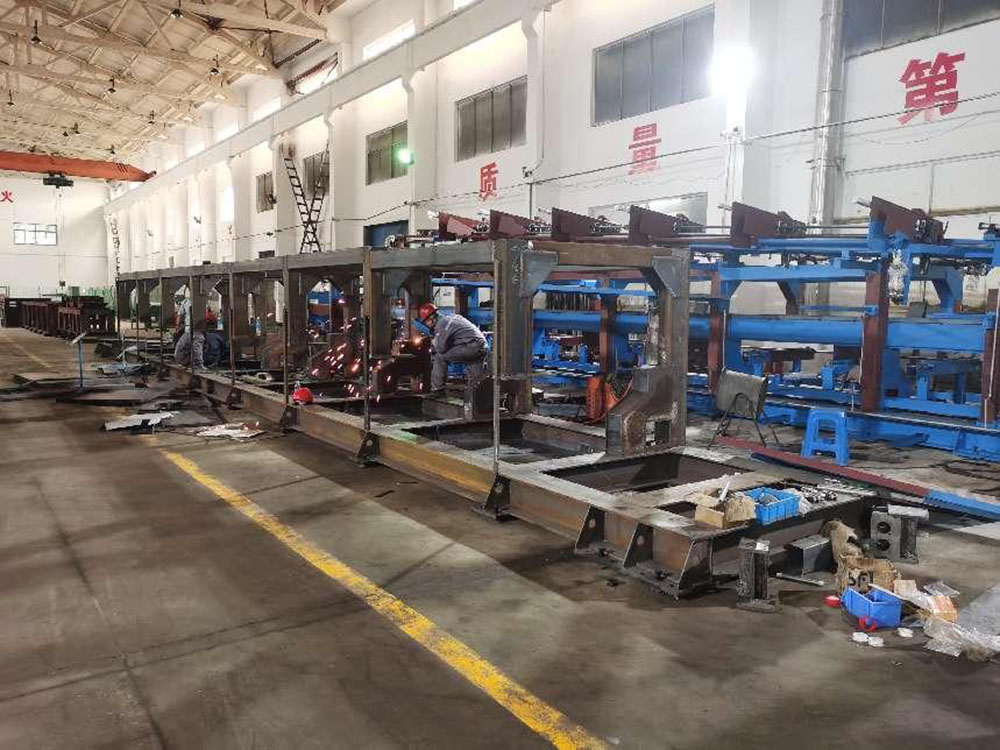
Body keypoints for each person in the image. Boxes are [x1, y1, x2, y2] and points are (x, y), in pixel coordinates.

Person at [418, 302, 487, 393]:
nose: (426, 325)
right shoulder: (451, 318)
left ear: (431, 318)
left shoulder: (442, 324)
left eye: (425, 322)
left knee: (440, 356)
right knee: (476, 381)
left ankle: (437, 390)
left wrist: (432, 341)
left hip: (472, 347)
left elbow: (440, 348)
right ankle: (477, 396)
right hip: (481, 347)